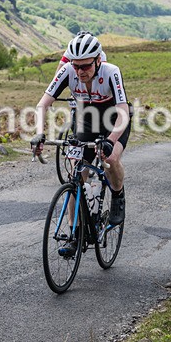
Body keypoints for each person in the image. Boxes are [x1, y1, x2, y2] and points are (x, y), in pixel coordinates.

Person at [31, 34, 130, 249]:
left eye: (85, 66)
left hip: (114, 118)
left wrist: (110, 140)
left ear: (97, 60)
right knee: (75, 174)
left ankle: (118, 194)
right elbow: (43, 104)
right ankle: (75, 233)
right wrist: (39, 133)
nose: (79, 71)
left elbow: (123, 111)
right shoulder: (68, 71)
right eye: (76, 66)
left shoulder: (111, 71)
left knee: (111, 158)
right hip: (87, 119)